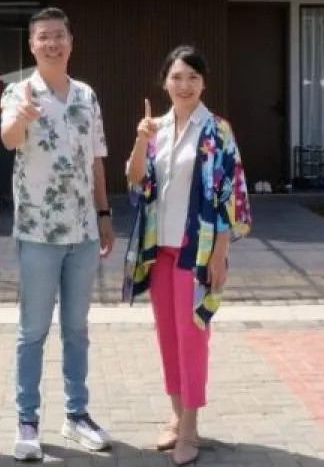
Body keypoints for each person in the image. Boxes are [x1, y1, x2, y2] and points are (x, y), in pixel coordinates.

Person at [123, 45, 253, 467]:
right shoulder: (155, 128)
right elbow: (135, 180)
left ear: (203, 84)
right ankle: (176, 416)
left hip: (196, 252)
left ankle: (191, 428)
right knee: (167, 336)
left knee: (193, 335)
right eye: (177, 77)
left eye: (193, 77)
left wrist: (219, 255)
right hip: (159, 250)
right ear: (165, 82)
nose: (184, 85)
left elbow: (230, 196)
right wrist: (141, 140)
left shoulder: (217, 131)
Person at [0, 6, 116, 462]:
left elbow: (96, 159)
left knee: (76, 329)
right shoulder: (18, 91)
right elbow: (9, 139)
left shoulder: (87, 95)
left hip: (83, 231)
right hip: (38, 231)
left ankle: (76, 415)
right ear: (32, 45)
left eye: (58, 36)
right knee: (32, 331)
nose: (52, 43)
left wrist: (104, 214)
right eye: (43, 37)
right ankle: (27, 421)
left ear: (71, 41)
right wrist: (22, 118)